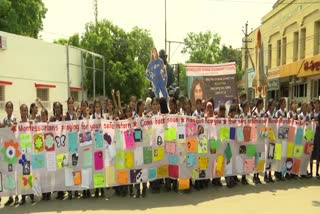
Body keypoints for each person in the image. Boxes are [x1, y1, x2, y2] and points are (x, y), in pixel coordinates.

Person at [2, 101, 20, 206]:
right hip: (7, 150)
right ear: (5, 109)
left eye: (10, 107)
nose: (9, 109)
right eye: (7, 107)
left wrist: (13, 125)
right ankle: (10, 197)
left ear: (12, 109)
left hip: (14, 149)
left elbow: (16, 130)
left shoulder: (14, 119)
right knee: (8, 174)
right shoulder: (4, 120)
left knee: (15, 173)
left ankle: (17, 196)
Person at [19, 104, 35, 205]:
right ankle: (23, 197)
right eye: (22, 110)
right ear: (20, 112)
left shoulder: (30, 123)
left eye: (25, 110)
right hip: (21, 153)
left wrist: (32, 124)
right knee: (22, 175)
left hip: (29, 152)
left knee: (29, 173)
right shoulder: (18, 123)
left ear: (27, 111)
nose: (24, 112)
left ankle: (31, 195)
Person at [90, 99, 105, 198]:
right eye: (96, 107)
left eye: (99, 106)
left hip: (102, 145)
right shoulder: (91, 117)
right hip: (94, 145)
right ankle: (96, 188)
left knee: (102, 168)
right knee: (96, 168)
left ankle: (102, 188)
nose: (97, 108)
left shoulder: (104, 117)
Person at [134, 99, 147, 198]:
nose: (144, 107)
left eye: (144, 105)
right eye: (142, 105)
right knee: (138, 167)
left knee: (145, 167)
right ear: (138, 106)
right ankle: (138, 189)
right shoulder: (135, 117)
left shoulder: (146, 117)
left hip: (145, 145)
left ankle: (145, 188)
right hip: (137, 146)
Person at [39, 108, 52, 201]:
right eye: (42, 115)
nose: (43, 116)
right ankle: (44, 193)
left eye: (44, 115)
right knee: (42, 174)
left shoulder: (50, 124)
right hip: (40, 153)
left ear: (47, 115)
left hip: (49, 152)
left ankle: (48, 192)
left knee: (49, 174)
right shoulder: (38, 125)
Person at [251, 98, 264, 184]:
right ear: (259, 104)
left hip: (261, 137)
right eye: (262, 104)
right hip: (255, 137)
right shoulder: (254, 111)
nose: (262, 105)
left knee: (260, 157)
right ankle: (254, 176)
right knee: (255, 157)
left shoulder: (263, 112)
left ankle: (258, 175)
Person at [310, 99, 320, 177]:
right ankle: (310, 171)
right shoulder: (311, 114)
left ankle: (316, 172)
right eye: (315, 104)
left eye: (318, 104)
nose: (316, 105)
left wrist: (317, 123)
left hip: (318, 136)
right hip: (311, 136)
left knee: (318, 154)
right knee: (311, 152)